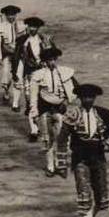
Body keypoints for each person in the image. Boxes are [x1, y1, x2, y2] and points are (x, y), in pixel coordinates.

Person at [56, 84, 109, 217]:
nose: (88, 100)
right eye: (85, 97)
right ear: (80, 99)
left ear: (94, 98)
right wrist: (62, 162)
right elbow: (62, 138)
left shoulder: (102, 113)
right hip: (80, 160)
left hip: (98, 158)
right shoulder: (73, 115)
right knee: (85, 196)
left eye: (91, 97)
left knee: (101, 197)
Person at [29, 47, 78, 176]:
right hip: (44, 110)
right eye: (49, 60)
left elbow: (75, 91)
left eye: (54, 59)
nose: (52, 62)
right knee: (47, 139)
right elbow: (33, 96)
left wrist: (69, 103)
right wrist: (34, 111)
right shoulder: (37, 75)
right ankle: (50, 166)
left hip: (60, 109)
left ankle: (61, 165)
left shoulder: (64, 72)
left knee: (61, 138)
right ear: (45, 61)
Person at [14, 17, 55, 137]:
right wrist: (16, 74)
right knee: (30, 100)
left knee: (46, 98)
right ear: (27, 26)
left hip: (44, 74)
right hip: (29, 75)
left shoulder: (44, 40)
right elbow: (16, 58)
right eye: (31, 26)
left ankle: (45, 124)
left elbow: (53, 56)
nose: (33, 29)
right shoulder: (22, 41)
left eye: (35, 27)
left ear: (38, 28)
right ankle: (34, 129)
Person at [0, 5, 27, 108]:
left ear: (16, 15)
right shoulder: (0, 27)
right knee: (6, 76)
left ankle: (15, 103)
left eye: (13, 15)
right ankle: (6, 92)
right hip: (7, 56)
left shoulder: (22, 26)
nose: (11, 17)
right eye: (9, 15)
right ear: (5, 16)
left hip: (19, 56)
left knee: (18, 78)